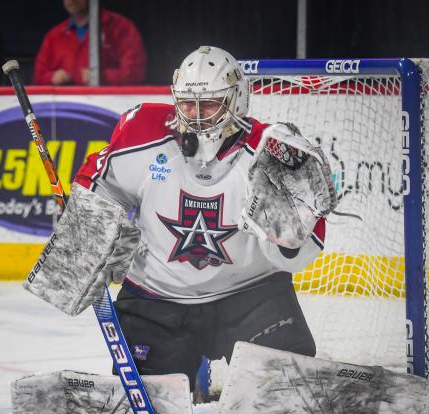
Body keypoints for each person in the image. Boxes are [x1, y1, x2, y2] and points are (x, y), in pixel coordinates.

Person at [65, 46, 338, 390]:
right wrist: (88, 220)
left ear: (236, 100)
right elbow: (101, 181)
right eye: (187, 104)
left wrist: (284, 235)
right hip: (156, 298)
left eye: (209, 104)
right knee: (151, 401)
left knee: (288, 387)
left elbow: (300, 253)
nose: (196, 116)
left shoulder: (269, 152)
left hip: (250, 295)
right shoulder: (146, 135)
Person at [33, 0, 146, 85]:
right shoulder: (54, 35)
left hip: (108, 105)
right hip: (65, 107)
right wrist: (52, 77)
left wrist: (101, 76)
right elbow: (38, 76)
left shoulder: (121, 27)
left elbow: (136, 72)